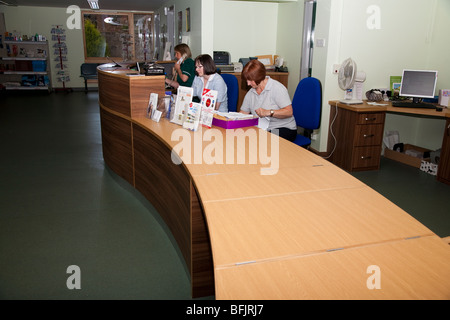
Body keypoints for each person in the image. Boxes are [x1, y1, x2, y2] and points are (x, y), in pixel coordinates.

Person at [240, 59, 297, 142]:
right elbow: (243, 113)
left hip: (283, 128)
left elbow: (289, 112)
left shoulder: (277, 88)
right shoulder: (251, 92)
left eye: (250, 80)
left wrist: (269, 112)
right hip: (264, 128)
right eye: (247, 80)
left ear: (258, 77)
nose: (248, 84)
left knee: (264, 141)